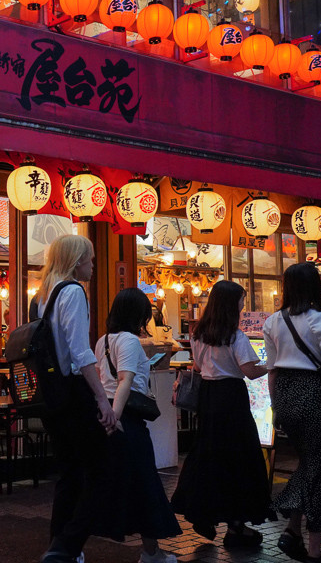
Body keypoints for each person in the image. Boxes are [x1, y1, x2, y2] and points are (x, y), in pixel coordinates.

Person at [263, 262, 321, 563]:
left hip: (287, 395)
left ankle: (292, 531)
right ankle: (314, 552)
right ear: (315, 286)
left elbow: (272, 371)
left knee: (310, 464)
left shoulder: (273, 321)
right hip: (314, 395)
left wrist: (276, 407)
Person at [170, 280, 273, 547]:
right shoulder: (235, 336)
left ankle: (202, 511)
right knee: (239, 457)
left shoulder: (198, 333)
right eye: (241, 299)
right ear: (231, 303)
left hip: (208, 396)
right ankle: (236, 523)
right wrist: (273, 364)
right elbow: (250, 371)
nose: (243, 304)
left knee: (208, 454)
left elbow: (197, 364)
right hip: (231, 398)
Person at [35, 235, 118, 563]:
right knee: (100, 470)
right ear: (75, 261)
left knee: (70, 472)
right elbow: (80, 351)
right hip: (73, 393)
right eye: (90, 259)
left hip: (51, 395)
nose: (93, 265)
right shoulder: (72, 292)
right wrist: (102, 399)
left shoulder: (44, 295)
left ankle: (61, 546)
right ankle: (67, 544)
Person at [94, 288, 181, 563]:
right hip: (125, 418)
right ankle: (151, 552)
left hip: (109, 411)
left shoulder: (103, 340)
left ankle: (151, 550)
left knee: (126, 484)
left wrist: (106, 415)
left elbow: (102, 379)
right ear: (138, 314)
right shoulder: (130, 341)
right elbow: (125, 381)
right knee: (144, 483)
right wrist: (115, 419)